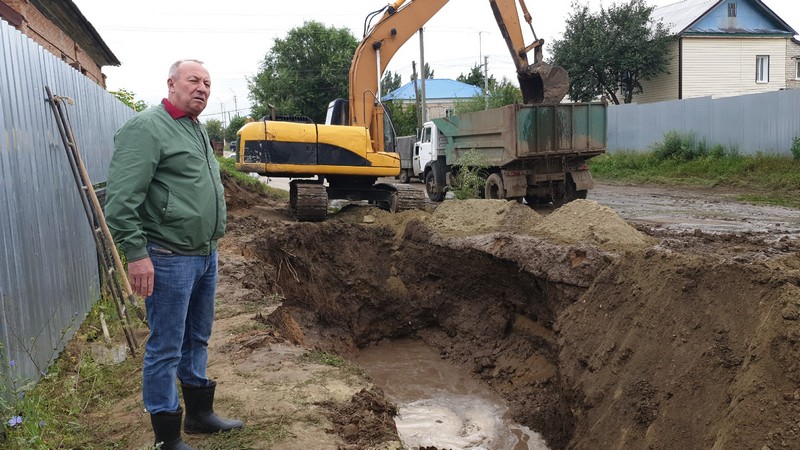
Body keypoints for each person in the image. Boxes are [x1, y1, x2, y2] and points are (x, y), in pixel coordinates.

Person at [105, 59, 242, 450]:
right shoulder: (147, 128)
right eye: (194, 80)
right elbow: (119, 202)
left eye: (207, 83)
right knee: (165, 345)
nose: (202, 88)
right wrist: (136, 253)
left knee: (197, 337)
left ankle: (199, 414)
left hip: (204, 254)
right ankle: (167, 437)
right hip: (167, 256)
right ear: (171, 83)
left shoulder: (195, 128)